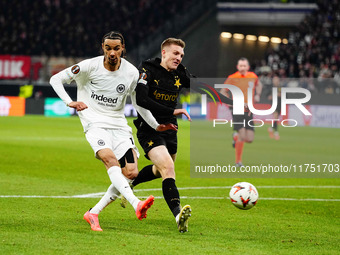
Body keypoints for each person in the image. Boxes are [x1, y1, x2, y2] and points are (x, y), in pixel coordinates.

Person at [49, 31, 156, 232]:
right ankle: (136, 204)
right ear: (103, 48)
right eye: (108, 48)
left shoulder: (132, 72)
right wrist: (69, 102)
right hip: (94, 123)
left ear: (123, 48)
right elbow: (55, 79)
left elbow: (138, 102)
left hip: (119, 125)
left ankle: (93, 212)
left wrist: (156, 125)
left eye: (116, 48)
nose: (112, 52)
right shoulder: (89, 66)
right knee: (110, 160)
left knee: (131, 173)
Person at [127, 38, 233, 233]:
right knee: (168, 168)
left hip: (170, 129)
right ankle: (178, 215)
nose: (179, 58)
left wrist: (229, 102)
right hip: (149, 127)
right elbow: (142, 99)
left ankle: (131, 182)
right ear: (164, 53)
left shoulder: (179, 74)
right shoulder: (148, 69)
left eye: (182, 55)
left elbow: (202, 87)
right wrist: (170, 112)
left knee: (161, 170)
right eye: (176, 54)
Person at [220, 57, 263, 167]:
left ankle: (235, 137)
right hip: (237, 109)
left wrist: (258, 94)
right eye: (240, 66)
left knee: (250, 139)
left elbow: (259, 85)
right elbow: (223, 90)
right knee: (242, 136)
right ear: (237, 67)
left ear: (248, 67)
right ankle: (238, 162)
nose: (242, 68)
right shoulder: (232, 78)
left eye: (244, 66)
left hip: (249, 111)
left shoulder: (253, 76)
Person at [267, 75, 281, 140]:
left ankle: (271, 128)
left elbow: (284, 95)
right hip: (274, 104)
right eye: (275, 80)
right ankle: (276, 132)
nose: (276, 81)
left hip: (280, 104)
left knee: (277, 118)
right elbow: (268, 96)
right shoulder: (271, 88)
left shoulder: (280, 87)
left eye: (277, 80)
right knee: (276, 117)